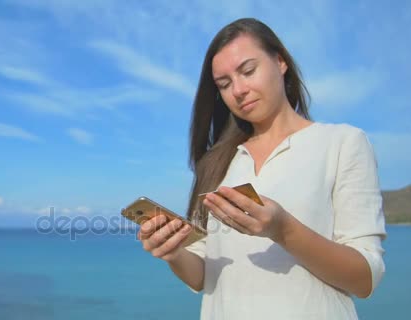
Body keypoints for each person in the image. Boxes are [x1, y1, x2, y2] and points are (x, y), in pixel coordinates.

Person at [137, 18, 386, 319]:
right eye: (224, 84)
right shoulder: (216, 163)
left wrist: (282, 229)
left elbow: (364, 279)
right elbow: (203, 275)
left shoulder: (343, 143)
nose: (238, 90)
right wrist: (173, 252)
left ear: (280, 62)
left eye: (248, 71)